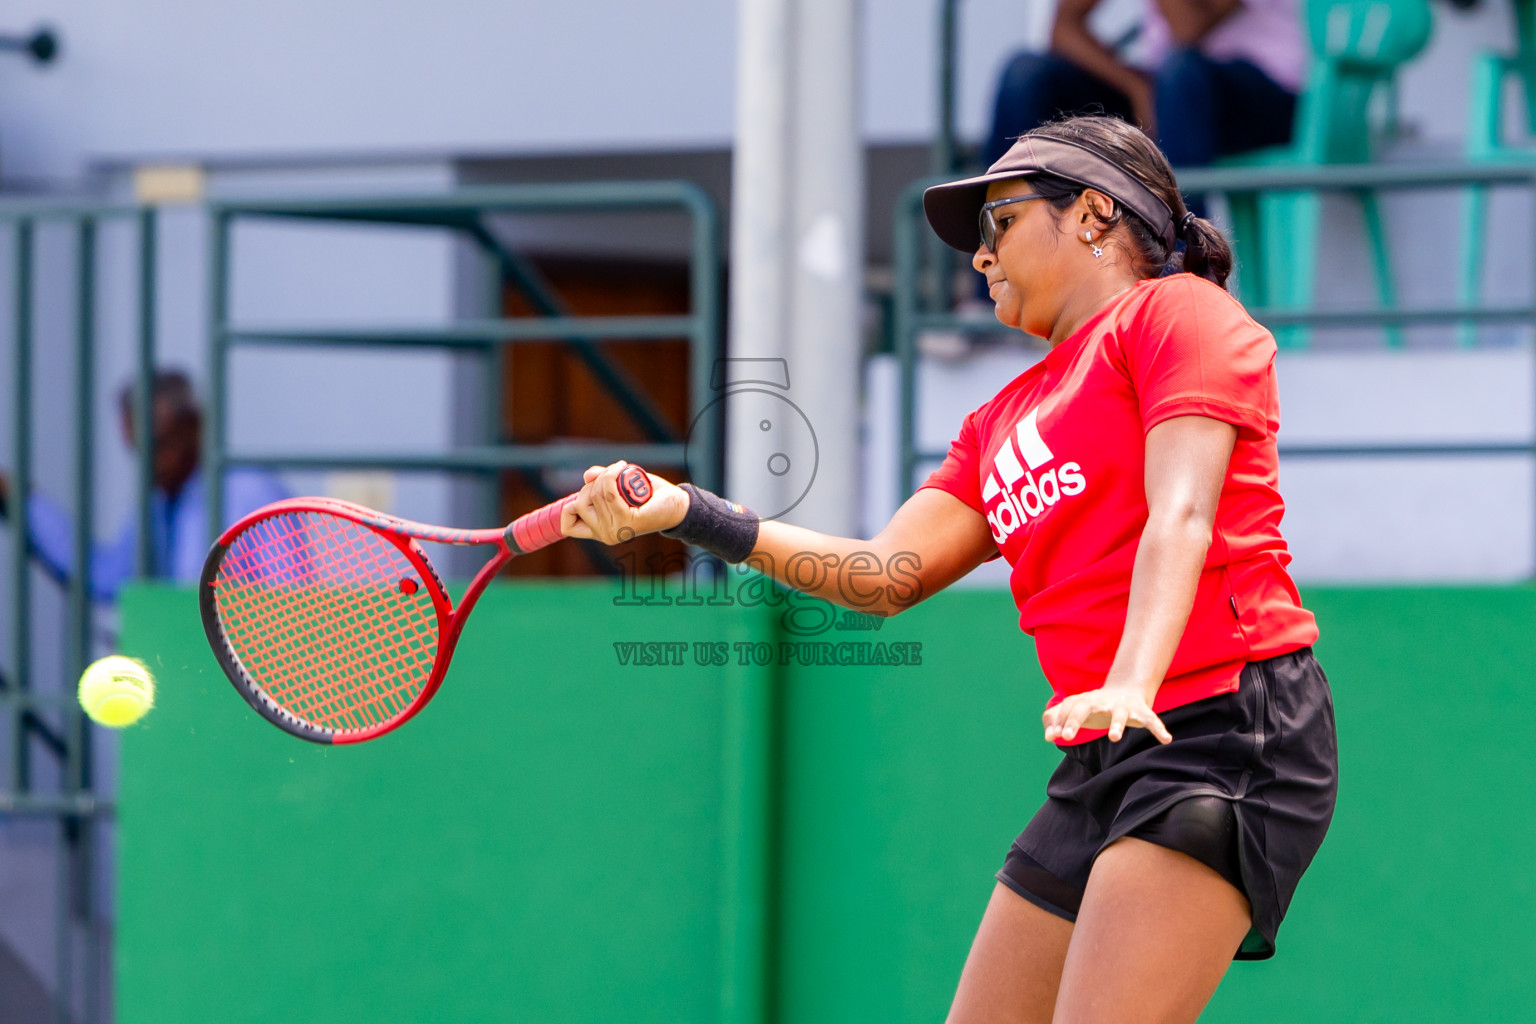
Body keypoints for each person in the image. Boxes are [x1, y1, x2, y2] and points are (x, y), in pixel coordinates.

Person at [561, 115, 1337, 1023]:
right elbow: (884, 574)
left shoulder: (1180, 314)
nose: (980, 256)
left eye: (999, 222)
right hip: (1102, 752)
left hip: (1225, 728)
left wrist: (1132, 681)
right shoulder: (997, 420)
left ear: (1092, 212)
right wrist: (691, 513)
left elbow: (1185, 513)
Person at [0, 370, 287, 600]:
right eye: (139, 452)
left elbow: (292, 599)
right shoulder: (160, 502)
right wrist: (22, 502)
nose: (152, 465)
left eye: (160, 446)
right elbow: (109, 577)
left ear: (194, 426)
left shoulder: (250, 493)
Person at [985, 0, 1304, 174]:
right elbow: (1063, 28)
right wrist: (1134, 85)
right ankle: (992, 281)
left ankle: (1184, 269)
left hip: (1268, 97)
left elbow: (1187, 28)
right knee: (1028, 75)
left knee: (1181, 75)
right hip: (1167, 93)